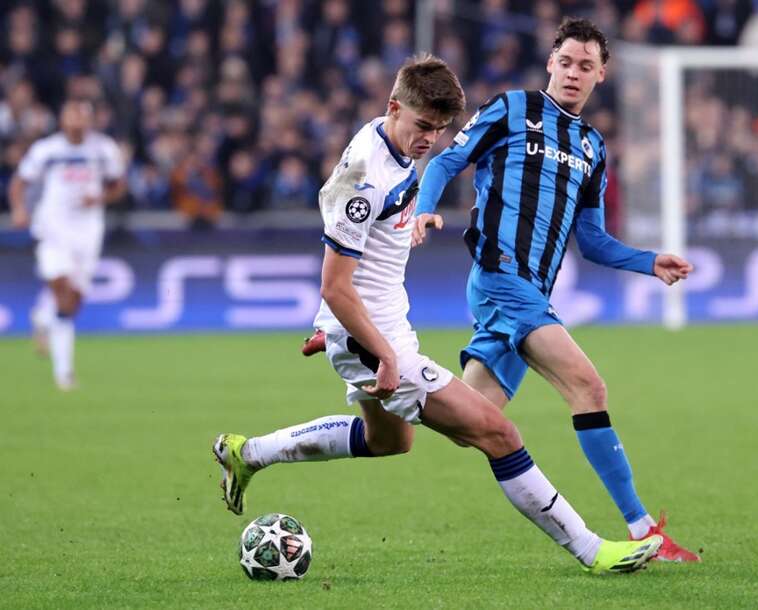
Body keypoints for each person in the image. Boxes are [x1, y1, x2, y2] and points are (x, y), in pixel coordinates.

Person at [213, 55, 662, 575]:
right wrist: (376, 351)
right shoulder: (364, 179)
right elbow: (335, 285)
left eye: (440, 129)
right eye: (423, 125)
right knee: (499, 433)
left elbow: (358, 272)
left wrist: (334, 329)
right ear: (394, 107)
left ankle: (250, 453)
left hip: (368, 329)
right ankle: (593, 550)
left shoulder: (391, 140)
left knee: (388, 441)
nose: (430, 139)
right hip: (376, 340)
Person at [411, 19, 700, 562]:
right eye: (565, 62)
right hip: (501, 277)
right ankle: (643, 530)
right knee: (589, 388)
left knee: (468, 421)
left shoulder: (592, 146)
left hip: (532, 294)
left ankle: (387, 383)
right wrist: (425, 208)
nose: (573, 73)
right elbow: (448, 159)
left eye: (585, 66)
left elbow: (592, 242)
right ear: (550, 63)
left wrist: (648, 261)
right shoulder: (511, 108)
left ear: (601, 75)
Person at [8, 99, 126, 390]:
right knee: (61, 289)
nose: (76, 121)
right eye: (71, 115)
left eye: (82, 116)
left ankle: (43, 317)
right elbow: (19, 182)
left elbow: (118, 185)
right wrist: (19, 209)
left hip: (88, 230)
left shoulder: (103, 149)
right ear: (62, 120)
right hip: (53, 227)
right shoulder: (47, 150)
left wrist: (99, 198)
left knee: (74, 300)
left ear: (90, 120)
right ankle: (64, 373)